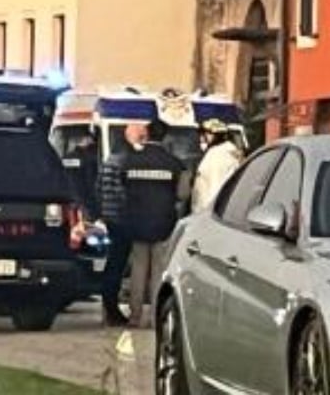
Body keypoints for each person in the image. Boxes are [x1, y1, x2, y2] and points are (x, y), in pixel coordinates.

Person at [124, 120, 191, 328]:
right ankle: (155, 317)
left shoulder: (130, 161)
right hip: (163, 222)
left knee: (138, 268)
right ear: (165, 137)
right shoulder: (174, 164)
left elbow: (122, 187)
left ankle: (135, 316)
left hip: (136, 221)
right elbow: (183, 194)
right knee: (158, 270)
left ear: (147, 134)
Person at [95, 126, 133, 327]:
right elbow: (122, 193)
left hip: (109, 217)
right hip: (121, 219)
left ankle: (108, 304)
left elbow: (98, 188)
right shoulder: (123, 163)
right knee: (118, 263)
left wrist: (102, 211)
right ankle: (111, 307)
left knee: (113, 261)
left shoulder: (108, 162)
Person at [192, 119, 244, 214]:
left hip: (209, 210)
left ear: (216, 136)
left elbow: (215, 186)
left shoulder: (218, 155)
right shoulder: (223, 152)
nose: (201, 139)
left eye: (205, 134)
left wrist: (209, 211)